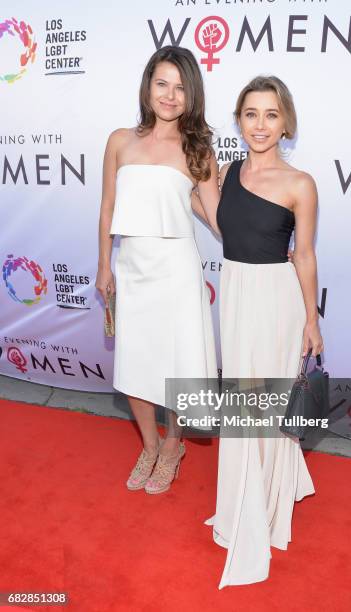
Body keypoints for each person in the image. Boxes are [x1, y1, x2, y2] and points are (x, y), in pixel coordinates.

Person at [204, 76, 324, 588]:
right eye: (251, 114)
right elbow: (223, 227)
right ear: (238, 120)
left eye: (271, 114)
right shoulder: (224, 173)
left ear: (285, 122)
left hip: (277, 302)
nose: (260, 124)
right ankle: (242, 502)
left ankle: (267, 508)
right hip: (234, 294)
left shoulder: (300, 183)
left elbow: (304, 255)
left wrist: (311, 319)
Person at [95, 46, 218, 495]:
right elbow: (108, 206)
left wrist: (267, 241)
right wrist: (104, 265)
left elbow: (216, 216)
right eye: (162, 83)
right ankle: (148, 445)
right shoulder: (119, 140)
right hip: (133, 266)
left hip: (177, 270)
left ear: (192, 95)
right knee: (136, 363)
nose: (170, 95)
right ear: (148, 86)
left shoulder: (196, 147)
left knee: (178, 361)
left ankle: (173, 446)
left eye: (181, 87)